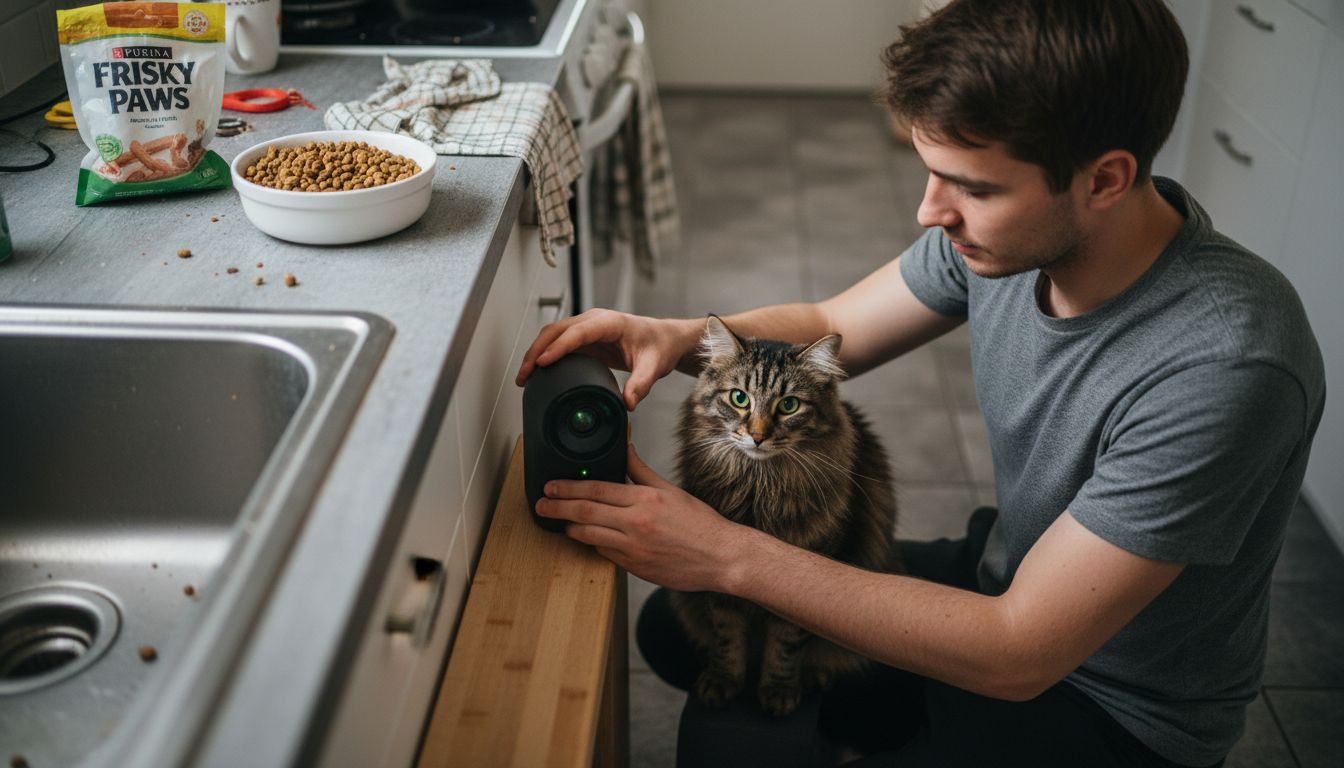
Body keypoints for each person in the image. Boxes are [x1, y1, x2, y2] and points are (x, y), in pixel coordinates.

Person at [514, 0, 1326, 765]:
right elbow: (834, 320)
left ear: (1104, 180)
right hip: (1007, 576)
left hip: (1110, 706)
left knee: (727, 601)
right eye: (931, 171)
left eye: (972, 187)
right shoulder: (1011, 237)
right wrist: (678, 335)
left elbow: (1018, 652)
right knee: (673, 627)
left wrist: (726, 554)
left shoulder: (1226, 364)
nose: (930, 213)